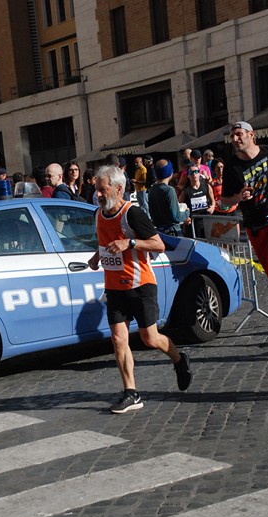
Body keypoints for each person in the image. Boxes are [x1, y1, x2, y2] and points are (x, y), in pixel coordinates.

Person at [87, 165, 192, 414]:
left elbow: (158, 245)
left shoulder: (131, 213)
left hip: (141, 284)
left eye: (103, 190)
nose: (98, 195)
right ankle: (131, 393)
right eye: (96, 190)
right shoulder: (98, 214)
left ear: (119, 189)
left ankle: (179, 359)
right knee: (118, 339)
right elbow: (105, 243)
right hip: (114, 287)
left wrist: (130, 242)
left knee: (149, 338)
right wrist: (96, 257)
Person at [220, 121, 268, 293]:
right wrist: (238, 197)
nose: (235, 139)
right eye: (232, 136)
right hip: (256, 226)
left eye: (239, 134)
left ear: (251, 135)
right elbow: (224, 201)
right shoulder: (232, 167)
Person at [148, 159, 184, 236]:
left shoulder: (151, 190)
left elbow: (151, 212)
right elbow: (175, 216)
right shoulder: (169, 190)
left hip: (159, 232)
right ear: (170, 172)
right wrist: (186, 213)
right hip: (172, 232)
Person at [180, 165, 215, 238]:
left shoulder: (206, 187)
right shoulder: (186, 191)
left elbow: (213, 201)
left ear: (199, 174)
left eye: (196, 172)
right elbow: (179, 207)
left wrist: (212, 207)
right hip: (192, 224)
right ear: (188, 176)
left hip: (205, 222)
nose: (194, 174)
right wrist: (185, 218)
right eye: (191, 172)